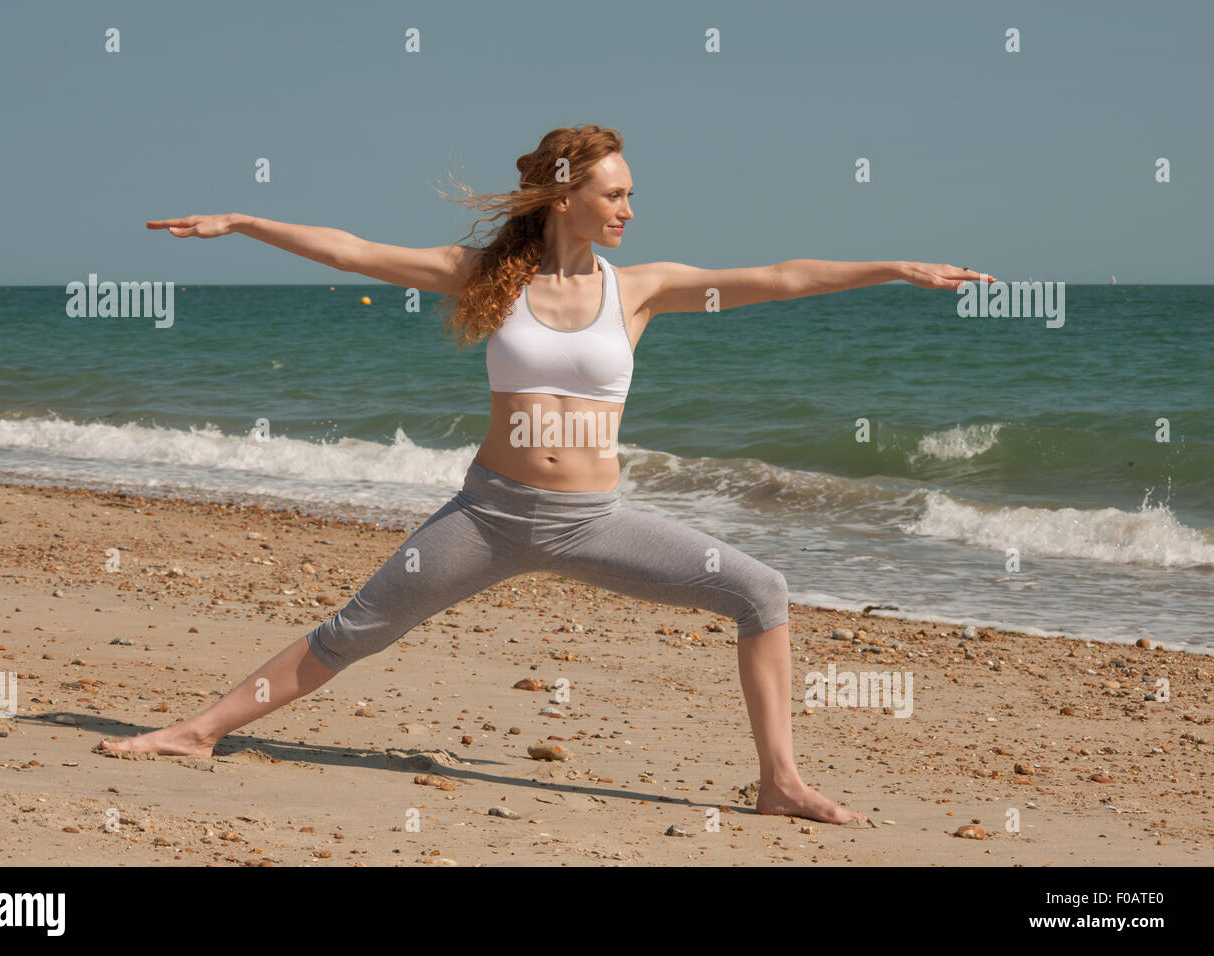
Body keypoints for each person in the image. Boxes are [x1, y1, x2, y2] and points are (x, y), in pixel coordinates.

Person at [102, 124, 990, 824]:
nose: (629, 210)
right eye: (615, 194)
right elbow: (350, 251)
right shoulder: (484, 275)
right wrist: (245, 222)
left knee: (760, 592)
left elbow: (779, 275)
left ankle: (781, 782)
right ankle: (196, 733)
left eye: (632, 194)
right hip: (487, 517)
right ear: (566, 195)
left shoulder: (641, 289)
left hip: (594, 521)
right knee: (351, 634)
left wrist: (893, 269)